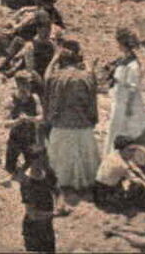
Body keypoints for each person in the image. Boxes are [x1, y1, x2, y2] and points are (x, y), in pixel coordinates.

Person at [44, 41, 101, 195]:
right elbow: (93, 79)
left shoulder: (56, 76)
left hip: (62, 124)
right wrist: (90, 65)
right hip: (82, 124)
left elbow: (46, 78)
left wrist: (53, 59)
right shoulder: (85, 77)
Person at [106, 29, 145, 154]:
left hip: (126, 103)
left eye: (119, 43)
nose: (117, 45)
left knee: (124, 129)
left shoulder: (133, 65)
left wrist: (129, 107)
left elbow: (133, 88)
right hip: (119, 99)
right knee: (115, 128)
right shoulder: (123, 60)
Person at [17, 156, 58, 253]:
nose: (42, 162)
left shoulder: (48, 174)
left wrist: (60, 204)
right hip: (34, 229)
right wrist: (55, 214)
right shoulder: (27, 184)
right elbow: (32, 214)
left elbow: (57, 190)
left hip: (47, 226)